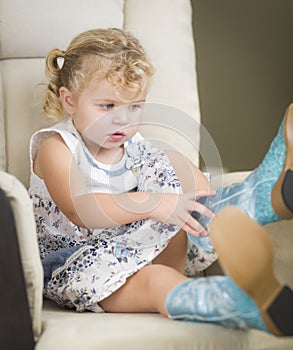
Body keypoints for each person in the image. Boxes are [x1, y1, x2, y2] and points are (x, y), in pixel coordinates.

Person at [29, 28, 293, 336]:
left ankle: (260, 199)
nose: (122, 120)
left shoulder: (138, 148)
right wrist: (156, 203)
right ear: (70, 101)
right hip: (82, 266)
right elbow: (81, 209)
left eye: (134, 107)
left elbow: (194, 189)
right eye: (107, 106)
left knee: (169, 160)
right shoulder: (57, 147)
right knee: (156, 282)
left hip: (147, 246)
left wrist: (186, 197)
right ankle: (244, 304)